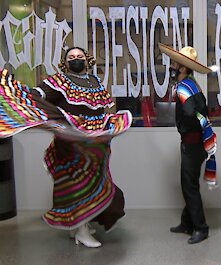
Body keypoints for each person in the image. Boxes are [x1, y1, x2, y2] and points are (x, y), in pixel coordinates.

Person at [0, 47, 132, 247]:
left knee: (95, 181)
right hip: (71, 141)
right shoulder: (58, 81)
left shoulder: (94, 81)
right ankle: (81, 230)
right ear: (65, 62)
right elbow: (39, 93)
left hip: (94, 141)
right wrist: (23, 93)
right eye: (71, 57)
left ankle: (78, 226)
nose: (76, 59)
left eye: (79, 56)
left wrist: (104, 128)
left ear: (86, 60)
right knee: (79, 185)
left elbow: (100, 107)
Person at [158, 43, 217, 244]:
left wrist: (187, 122)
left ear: (182, 68)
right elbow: (202, 111)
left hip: (192, 145)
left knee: (189, 186)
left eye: (174, 63)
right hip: (196, 143)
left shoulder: (184, 87)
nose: (172, 66)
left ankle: (201, 228)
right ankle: (187, 223)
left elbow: (193, 112)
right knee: (187, 184)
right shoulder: (192, 84)